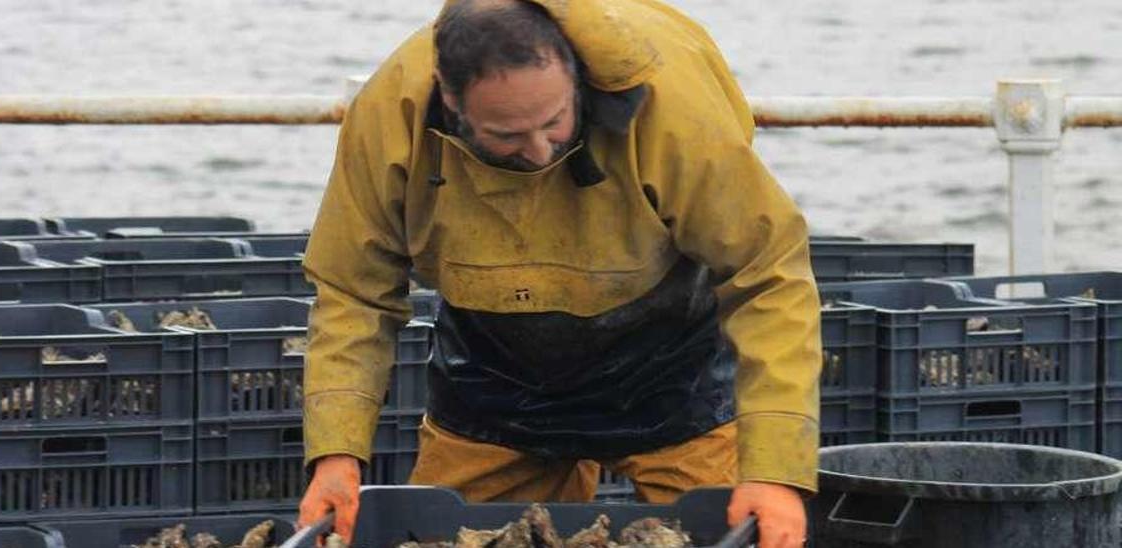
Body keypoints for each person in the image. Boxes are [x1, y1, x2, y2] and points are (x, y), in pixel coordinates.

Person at [297, 1, 821, 547]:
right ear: (451, 103)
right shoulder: (391, 113)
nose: (539, 148)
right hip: (493, 368)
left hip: (670, 360)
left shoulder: (673, 105)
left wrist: (775, 473)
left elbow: (768, 272)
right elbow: (352, 290)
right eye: (506, 134)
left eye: (553, 122)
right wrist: (336, 455)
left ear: (575, 76)